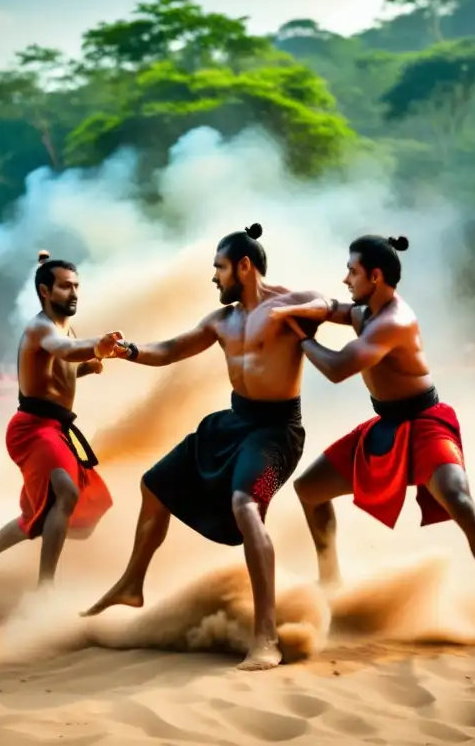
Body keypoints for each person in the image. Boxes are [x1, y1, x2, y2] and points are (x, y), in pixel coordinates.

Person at [275, 234, 475, 648]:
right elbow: (334, 307)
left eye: (352, 271)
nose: (345, 278)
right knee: (309, 490)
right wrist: (288, 303)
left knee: (461, 502)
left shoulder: (394, 321)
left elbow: (339, 367)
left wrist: (302, 337)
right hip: (387, 425)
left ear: (375, 276)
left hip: (425, 423)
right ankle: (331, 582)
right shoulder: (366, 310)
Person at [81, 223, 326, 672]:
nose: (214, 277)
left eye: (219, 268)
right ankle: (131, 585)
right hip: (232, 425)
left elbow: (337, 308)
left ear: (244, 266)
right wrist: (128, 351)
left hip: (278, 435)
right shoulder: (221, 321)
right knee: (155, 485)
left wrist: (311, 309)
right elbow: (172, 349)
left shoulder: (289, 304)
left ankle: (266, 635)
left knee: (246, 505)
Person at [0, 252, 122, 586]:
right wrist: (96, 349)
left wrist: (88, 366)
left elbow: (63, 369)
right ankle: (45, 589)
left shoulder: (66, 327)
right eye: (64, 287)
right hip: (32, 429)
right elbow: (66, 351)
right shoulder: (41, 328)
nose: (73, 293)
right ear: (45, 291)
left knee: (44, 515)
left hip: (56, 429)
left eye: (76, 287)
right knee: (66, 494)